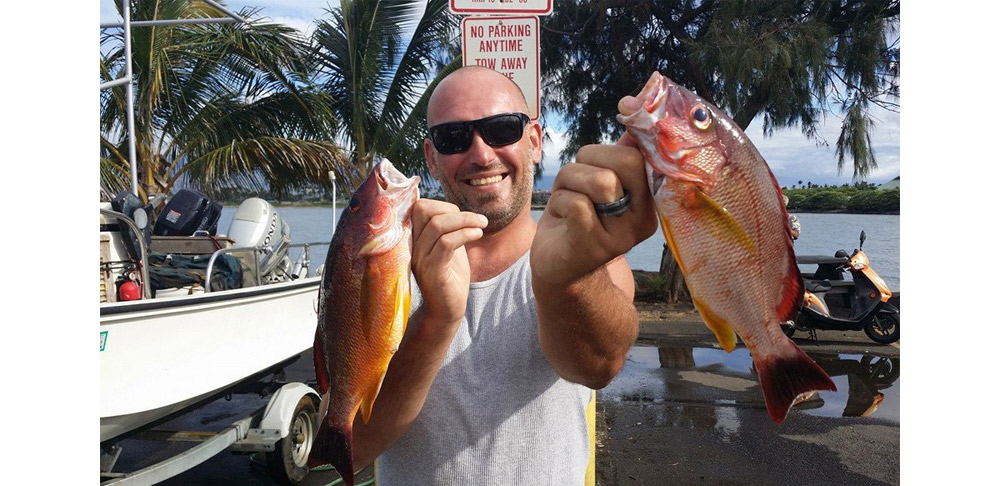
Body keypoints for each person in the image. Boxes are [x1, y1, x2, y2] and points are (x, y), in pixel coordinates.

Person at [345, 66, 657, 484]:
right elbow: (351, 446)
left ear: (534, 141)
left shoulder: (588, 259)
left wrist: (564, 278)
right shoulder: (383, 268)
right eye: (454, 137)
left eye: (502, 129)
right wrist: (437, 319)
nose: (481, 154)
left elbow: (598, 365)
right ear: (431, 158)